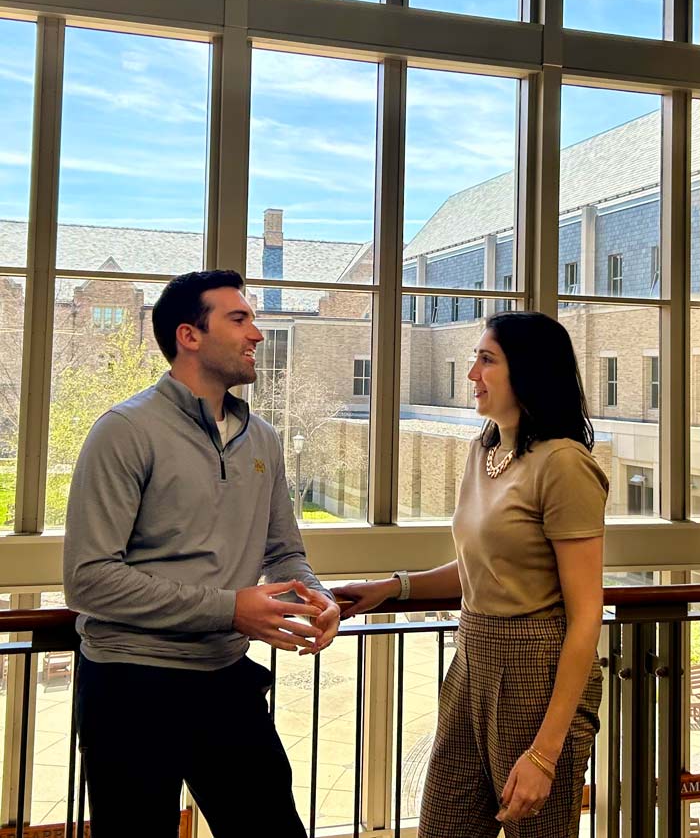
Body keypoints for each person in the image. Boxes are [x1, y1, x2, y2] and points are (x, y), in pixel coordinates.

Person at [63, 269, 340, 838]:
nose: (257, 334)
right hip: (129, 687)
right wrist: (229, 609)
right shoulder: (123, 430)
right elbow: (89, 580)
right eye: (239, 319)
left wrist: (316, 596)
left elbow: (285, 550)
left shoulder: (261, 436)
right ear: (189, 336)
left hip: (224, 681)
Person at [336, 311, 607, 838]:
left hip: (537, 670)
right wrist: (393, 588)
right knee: (442, 825)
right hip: (470, 661)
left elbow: (585, 616)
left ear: (526, 371)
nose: (471, 374)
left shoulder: (564, 464)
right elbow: (477, 569)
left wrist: (545, 754)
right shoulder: (483, 450)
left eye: (487, 360)